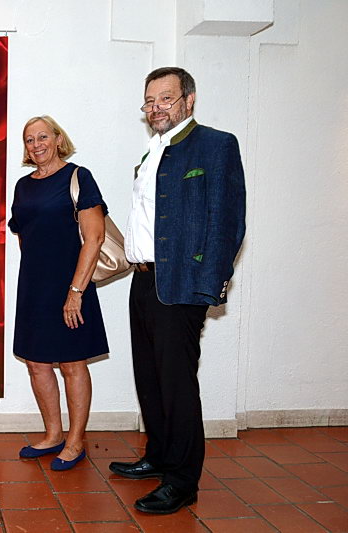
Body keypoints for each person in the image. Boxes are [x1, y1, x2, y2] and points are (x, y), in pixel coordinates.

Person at [109, 67, 246, 514]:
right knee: (149, 378)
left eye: (165, 98)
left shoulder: (216, 145)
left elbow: (227, 221)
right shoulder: (151, 153)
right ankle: (159, 456)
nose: (156, 108)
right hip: (143, 279)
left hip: (182, 285)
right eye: (150, 101)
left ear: (189, 99)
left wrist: (208, 287)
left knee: (177, 385)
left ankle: (183, 481)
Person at [8, 116, 109, 471]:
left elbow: (95, 238)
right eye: (29, 139)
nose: (36, 144)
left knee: (71, 362)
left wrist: (75, 291)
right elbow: (24, 235)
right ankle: (53, 435)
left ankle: (76, 441)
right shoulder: (23, 186)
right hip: (34, 286)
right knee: (36, 363)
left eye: (43, 137)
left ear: (57, 139)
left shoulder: (78, 177)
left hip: (72, 285)